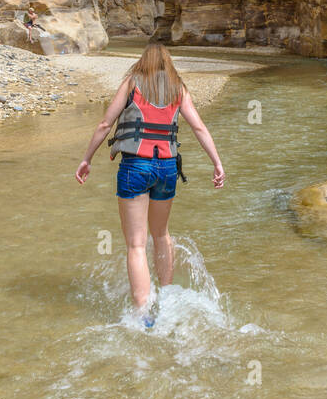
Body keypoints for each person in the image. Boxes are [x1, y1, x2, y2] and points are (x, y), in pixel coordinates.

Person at [75, 42, 225, 325]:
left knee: (136, 245)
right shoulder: (177, 88)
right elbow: (199, 127)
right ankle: (167, 300)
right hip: (168, 169)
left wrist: (87, 158)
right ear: (168, 64)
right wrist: (217, 163)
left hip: (136, 167)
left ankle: (143, 314)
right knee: (161, 234)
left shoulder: (132, 82)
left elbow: (105, 124)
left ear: (142, 62)